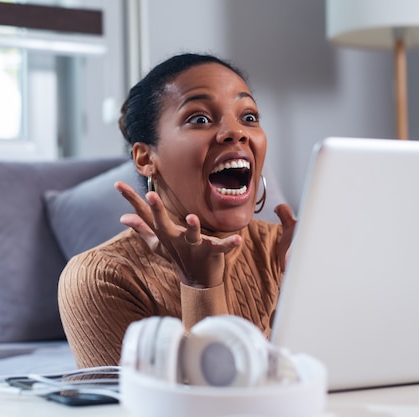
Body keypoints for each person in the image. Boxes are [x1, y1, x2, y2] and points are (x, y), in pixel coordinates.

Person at [57, 53, 296, 368]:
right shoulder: (100, 278)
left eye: (248, 117)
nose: (236, 132)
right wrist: (200, 286)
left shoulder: (288, 251)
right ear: (145, 159)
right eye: (199, 118)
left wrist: (303, 290)